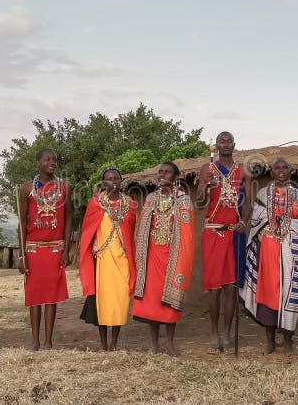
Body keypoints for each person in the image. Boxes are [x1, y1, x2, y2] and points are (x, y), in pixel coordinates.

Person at [240, 158, 298, 354]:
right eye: (277, 168)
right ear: (271, 173)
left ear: (290, 171)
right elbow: (256, 220)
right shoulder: (263, 194)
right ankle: (269, 340)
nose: (281, 171)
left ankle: (287, 341)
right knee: (268, 293)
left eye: (285, 168)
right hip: (267, 250)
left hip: (291, 248)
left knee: (289, 292)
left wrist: (287, 231)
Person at [195, 131, 253, 354]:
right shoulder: (207, 170)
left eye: (229, 141)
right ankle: (214, 333)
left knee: (231, 288)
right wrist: (204, 187)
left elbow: (248, 204)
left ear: (234, 145)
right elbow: (200, 204)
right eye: (222, 141)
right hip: (212, 233)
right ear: (216, 145)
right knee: (215, 289)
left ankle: (227, 334)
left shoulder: (244, 171)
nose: (226, 144)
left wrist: (244, 222)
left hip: (233, 233)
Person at [132, 162, 195, 356]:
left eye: (166, 172)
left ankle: (169, 344)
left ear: (175, 178)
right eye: (160, 172)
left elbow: (187, 234)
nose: (162, 175)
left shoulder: (183, 200)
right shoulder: (151, 198)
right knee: (151, 303)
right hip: (152, 257)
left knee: (168, 304)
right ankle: (154, 345)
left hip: (173, 257)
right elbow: (142, 228)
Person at [17, 149, 72, 350]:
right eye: (47, 159)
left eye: (54, 160)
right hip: (33, 249)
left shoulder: (64, 187)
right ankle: (35, 341)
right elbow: (22, 222)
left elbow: (68, 218)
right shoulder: (26, 189)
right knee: (34, 296)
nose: (52, 163)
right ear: (37, 162)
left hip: (55, 248)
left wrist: (65, 249)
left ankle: (48, 341)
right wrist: (22, 254)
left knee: (51, 296)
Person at [79, 167, 137, 351]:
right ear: (103, 183)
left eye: (116, 178)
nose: (113, 181)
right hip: (102, 260)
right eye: (109, 179)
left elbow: (131, 232)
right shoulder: (95, 204)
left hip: (123, 259)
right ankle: (104, 344)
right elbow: (87, 232)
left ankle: (115, 343)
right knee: (103, 303)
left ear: (121, 181)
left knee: (119, 302)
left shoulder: (130, 205)